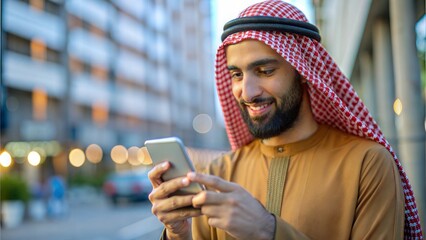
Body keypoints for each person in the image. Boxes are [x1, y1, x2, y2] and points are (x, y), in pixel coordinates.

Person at [147, 0, 423, 239]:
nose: (248, 92)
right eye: (237, 75)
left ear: (304, 72)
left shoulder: (367, 163)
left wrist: (268, 230)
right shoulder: (222, 171)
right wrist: (178, 234)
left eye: (265, 71)